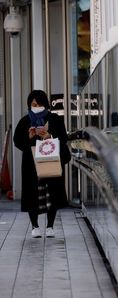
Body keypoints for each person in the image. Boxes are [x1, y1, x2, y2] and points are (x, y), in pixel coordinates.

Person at [13, 90, 71, 238]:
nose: (36, 106)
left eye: (39, 104)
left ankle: (50, 226)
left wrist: (49, 136)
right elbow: (17, 141)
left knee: (52, 193)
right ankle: (35, 226)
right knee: (32, 194)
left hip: (50, 161)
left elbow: (63, 138)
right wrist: (29, 137)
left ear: (45, 104)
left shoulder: (54, 119)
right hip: (31, 164)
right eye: (33, 104)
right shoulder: (25, 121)